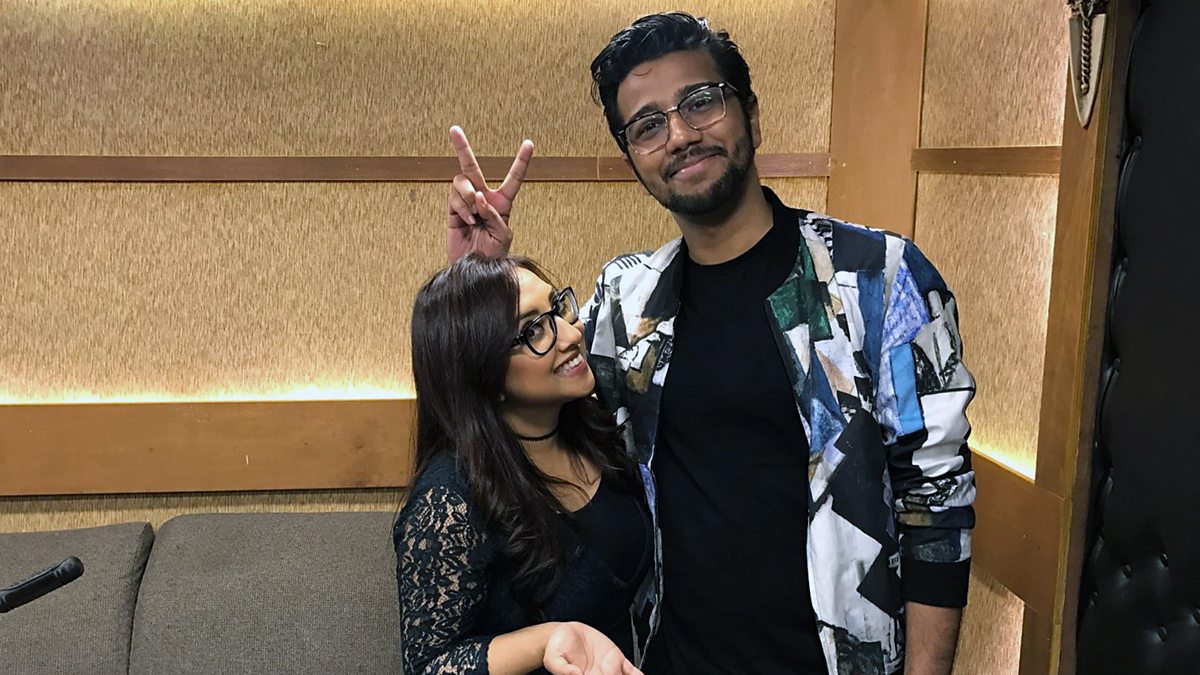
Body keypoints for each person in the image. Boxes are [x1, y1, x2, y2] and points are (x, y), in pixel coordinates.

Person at [444, 12, 976, 675]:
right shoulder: (626, 305)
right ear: (634, 160)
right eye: (648, 125)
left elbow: (937, 506)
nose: (679, 135)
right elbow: (519, 405)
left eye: (700, 102)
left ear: (751, 115)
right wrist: (480, 281)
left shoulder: (877, 279)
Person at [394, 254, 651, 675]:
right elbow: (429, 666)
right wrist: (546, 640)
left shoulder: (593, 429)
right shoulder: (450, 498)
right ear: (485, 374)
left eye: (559, 308)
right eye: (533, 330)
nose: (571, 334)